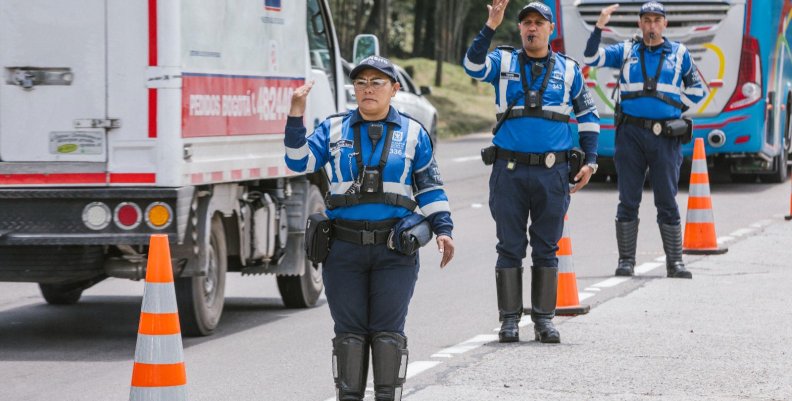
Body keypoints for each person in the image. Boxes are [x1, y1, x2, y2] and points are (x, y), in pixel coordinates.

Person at [284, 56, 455, 401]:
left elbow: (430, 189)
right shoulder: (333, 130)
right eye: (361, 82)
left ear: (394, 89)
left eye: (377, 82)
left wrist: (443, 229)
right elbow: (297, 161)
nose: (368, 89)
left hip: (395, 250)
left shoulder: (413, 133)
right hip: (343, 250)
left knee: (388, 333)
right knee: (349, 334)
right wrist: (295, 114)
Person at [463, 0, 600, 344]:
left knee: (546, 247)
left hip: (552, 175)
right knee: (509, 246)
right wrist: (491, 25)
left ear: (550, 29)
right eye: (526, 22)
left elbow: (588, 118)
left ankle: (543, 320)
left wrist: (591, 160)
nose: (532, 28)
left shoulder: (568, 70)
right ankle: (509, 321)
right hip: (508, 172)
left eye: (539, 22)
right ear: (520, 28)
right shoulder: (503, 61)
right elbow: (471, 65)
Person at [583, 2, 706, 279]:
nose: (651, 25)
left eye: (656, 20)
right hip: (630, 135)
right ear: (640, 23)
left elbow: (698, 88)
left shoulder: (680, 53)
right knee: (628, 199)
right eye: (646, 20)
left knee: (667, 199)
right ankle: (626, 261)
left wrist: (676, 110)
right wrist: (600, 25)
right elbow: (591, 57)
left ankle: (675, 263)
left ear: (665, 24)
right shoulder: (627, 51)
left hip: (665, 137)